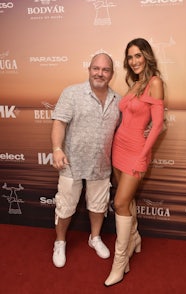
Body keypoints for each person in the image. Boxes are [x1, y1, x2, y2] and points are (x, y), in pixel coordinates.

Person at [51, 53, 121, 268]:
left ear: (111, 74)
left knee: (99, 206)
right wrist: (56, 149)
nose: (100, 73)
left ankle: (95, 238)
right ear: (89, 69)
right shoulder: (72, 93)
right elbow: (59, 123)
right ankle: (60, 242)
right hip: (71, 163)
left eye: (105, 69)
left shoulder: (118, 100)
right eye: (96, 68)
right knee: (65, 207)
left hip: (101, 165)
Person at [104, 38, 165, 286]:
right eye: (130, 57)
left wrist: (142, 155)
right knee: (126, 200)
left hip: (136, 152)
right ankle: (135, 238)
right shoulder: (135, 83)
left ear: (147, 56)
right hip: (119, 147)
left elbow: (158, 124)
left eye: (138, 55)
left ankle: (120, 261)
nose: (134, 61)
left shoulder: (155, 82)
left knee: (119, 203)